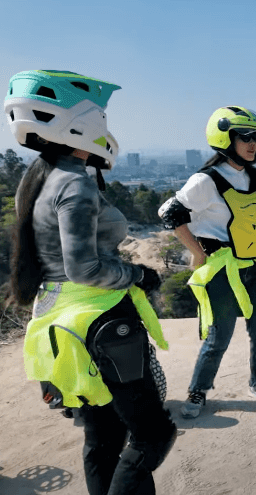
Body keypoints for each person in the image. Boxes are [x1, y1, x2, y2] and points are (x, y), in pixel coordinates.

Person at [7, 70, 177, 494]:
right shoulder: (75, 183)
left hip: (61, 316)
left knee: (103, 437)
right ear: (80, 120)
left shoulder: (38, 179)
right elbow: (84, 268)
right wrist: (139, 274)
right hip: (100, 316)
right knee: (152, 435)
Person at [159, 106, 256, 419]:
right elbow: (170, 213)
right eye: (245, 137)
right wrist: (197, 252)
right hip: (223, 268)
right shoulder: (205, 181)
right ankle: (199, 390)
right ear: (225, 139)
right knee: (219, 335)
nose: (253, 143)